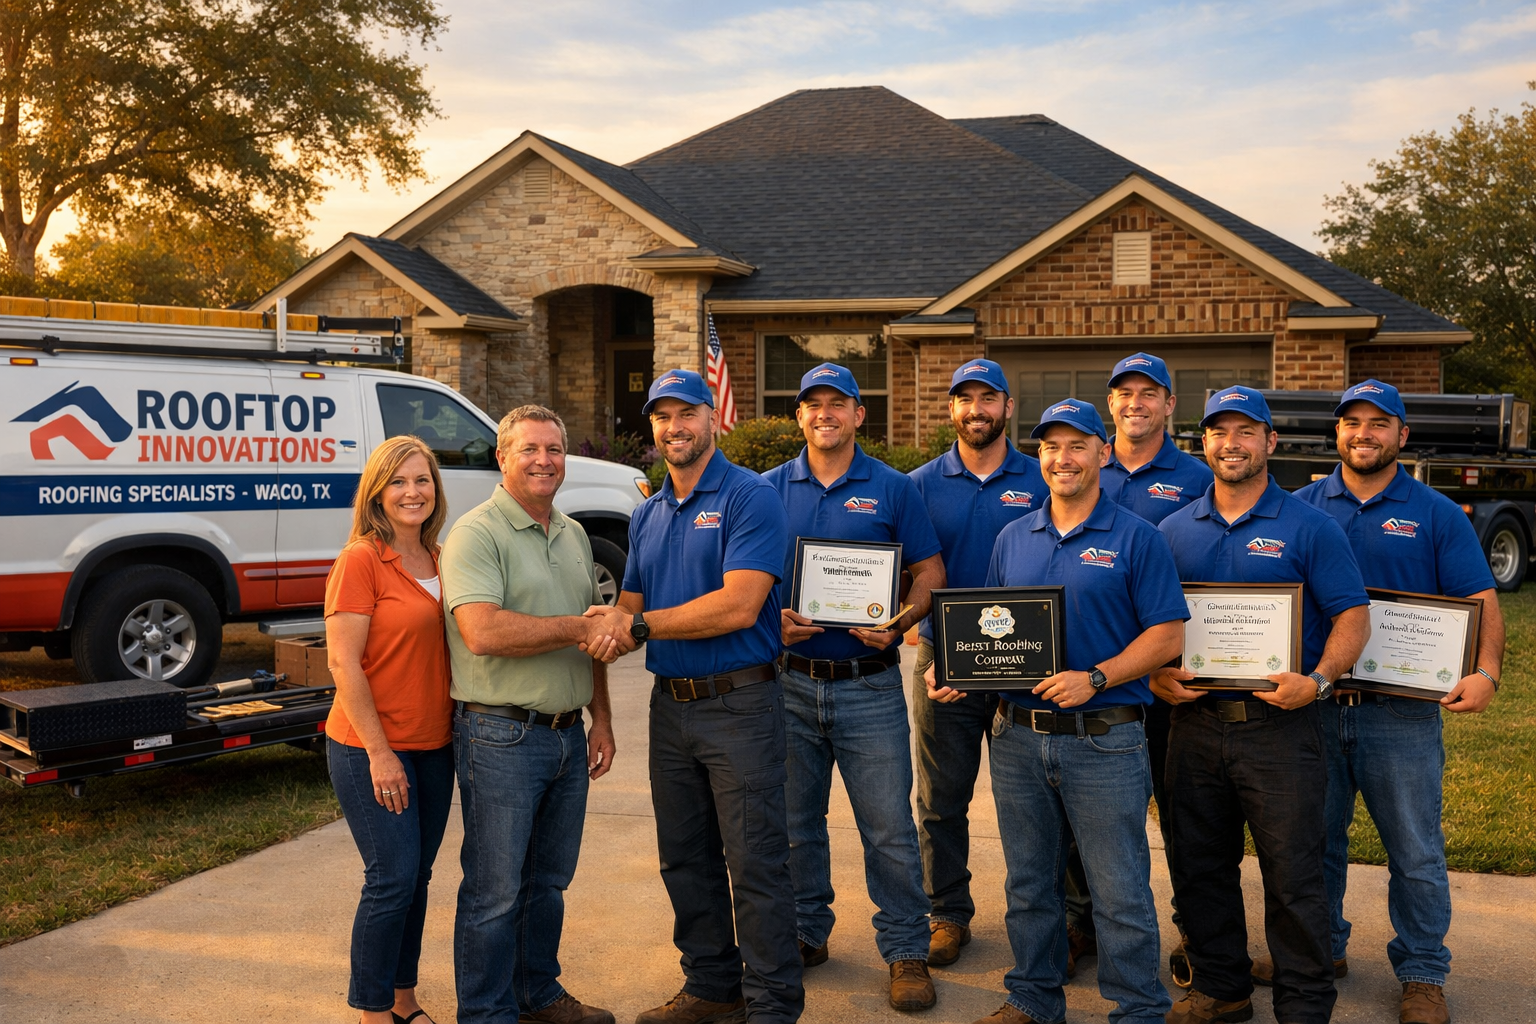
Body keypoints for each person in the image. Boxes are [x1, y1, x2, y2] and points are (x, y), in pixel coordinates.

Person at [928, 398, 1186, 1024]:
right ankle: (1034, 999)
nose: (1062, 459)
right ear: (1037, 456)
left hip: (1106, 740)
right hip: (1017, 738)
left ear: (1103, 453)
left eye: (1077, 446)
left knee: (1119, 890)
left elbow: (1168, 635)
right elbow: (990, 630)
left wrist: (1096, 678)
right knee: (1028, 886)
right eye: (1049, 447)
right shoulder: (1013, 537)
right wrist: (957, 670)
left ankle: (1137, 1009)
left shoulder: (1138, 537)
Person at [587, 369, 803, 1024]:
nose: (673, 428)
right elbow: (627, 605)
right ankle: (711, 987)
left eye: (686, 414)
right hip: (671, 708)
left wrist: (639, 627)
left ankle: (771, 1008)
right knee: (685, 855)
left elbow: (740, 606)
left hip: (741, 705)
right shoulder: (648, 513)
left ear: (713, 418)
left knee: (756, 864)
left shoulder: (750, 498)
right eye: (661, 417)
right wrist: (590, 630)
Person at [1154, 386, 1370, 1024]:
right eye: (1219, 432)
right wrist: (1161, 677)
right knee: (1198, 866)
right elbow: (1151, 628)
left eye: (1246, 431)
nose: (1232, 444)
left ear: (1270, 443)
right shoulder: (1170, 531)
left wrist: (1321, 681)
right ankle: (1222, 989)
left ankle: (1304, 1005)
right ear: (1204, 444)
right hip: (1191, 727)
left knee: (1294, 875)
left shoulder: (1311, 526)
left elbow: (1353, 620)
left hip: (1281, 728)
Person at [1292, 379, 1505, 1024]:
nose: (1364, 434)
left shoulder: (1436, 513)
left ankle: (1421, 972)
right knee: (1313, 842)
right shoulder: (1299, 507)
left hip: (1402, 714)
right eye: (1351, 422)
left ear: (1402, 436)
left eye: (1378, 423)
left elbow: (1481, 601)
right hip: (1317, 707)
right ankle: (1321, 949)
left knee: (1414, 850)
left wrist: (1487, 672)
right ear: (1337, 433)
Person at [763, 362, 946, 1011]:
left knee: (888, 827)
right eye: (812, 404)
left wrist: (903, 617)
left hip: (868, 686)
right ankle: (808, 933)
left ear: (858, 414)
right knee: (793, 825)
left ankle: (904, 949)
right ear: (800, 416)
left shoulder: (893, 489)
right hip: (790, 684)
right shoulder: (767, 489)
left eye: (837, 403)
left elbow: (929, 571)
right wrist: (770, 617)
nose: (824, 414)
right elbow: (744, 576)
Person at [441, 405, 618, 1024]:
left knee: (548, 884)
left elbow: (594, 641)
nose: (544, 460)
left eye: (554, 449)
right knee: (495, 891)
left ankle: (538, 994)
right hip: (499, 734)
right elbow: (483, 631)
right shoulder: (475, 533)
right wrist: (580, 627)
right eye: (529, 450)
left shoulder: (572, 534)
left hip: (569, 736)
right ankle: (486, 1012)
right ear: (503, 457)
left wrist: (603, 717)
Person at [1065, 352, 1214, 984]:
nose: (1135, 402)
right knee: (1080, 815)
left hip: (1172, 680)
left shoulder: (1199, 476)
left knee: (1182, 812)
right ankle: (1083, 924)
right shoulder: (1081, 467)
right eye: (1123, 392)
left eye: (1148, 392)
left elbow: (1219, 574)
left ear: (1169, 404)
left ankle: (1194, 931)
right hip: (1095, 683)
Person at [907, 358, 1047, 969]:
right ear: (951, 409)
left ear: (1008, 406)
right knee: (940, 798)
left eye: (988, 396)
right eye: (964, 398)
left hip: (1031, 661)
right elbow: (904, 572)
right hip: (946, 661)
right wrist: (913, 627)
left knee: (1041, 798)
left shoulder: (1043, 475)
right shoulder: (917, 485)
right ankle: (946, 913)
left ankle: (1061, 918)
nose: (976, 409)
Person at [325, 434, 456, 1024]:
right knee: (391, 878)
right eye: (398, 481)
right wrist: (381, 754)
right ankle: (373, 1012)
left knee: (418, 879)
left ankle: (404, 1001)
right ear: (377, 492)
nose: (412, 492)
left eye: (422, 480)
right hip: (370, 747)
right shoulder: (360, 560)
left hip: (435, 744)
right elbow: (342, 662)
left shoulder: (441, 557)